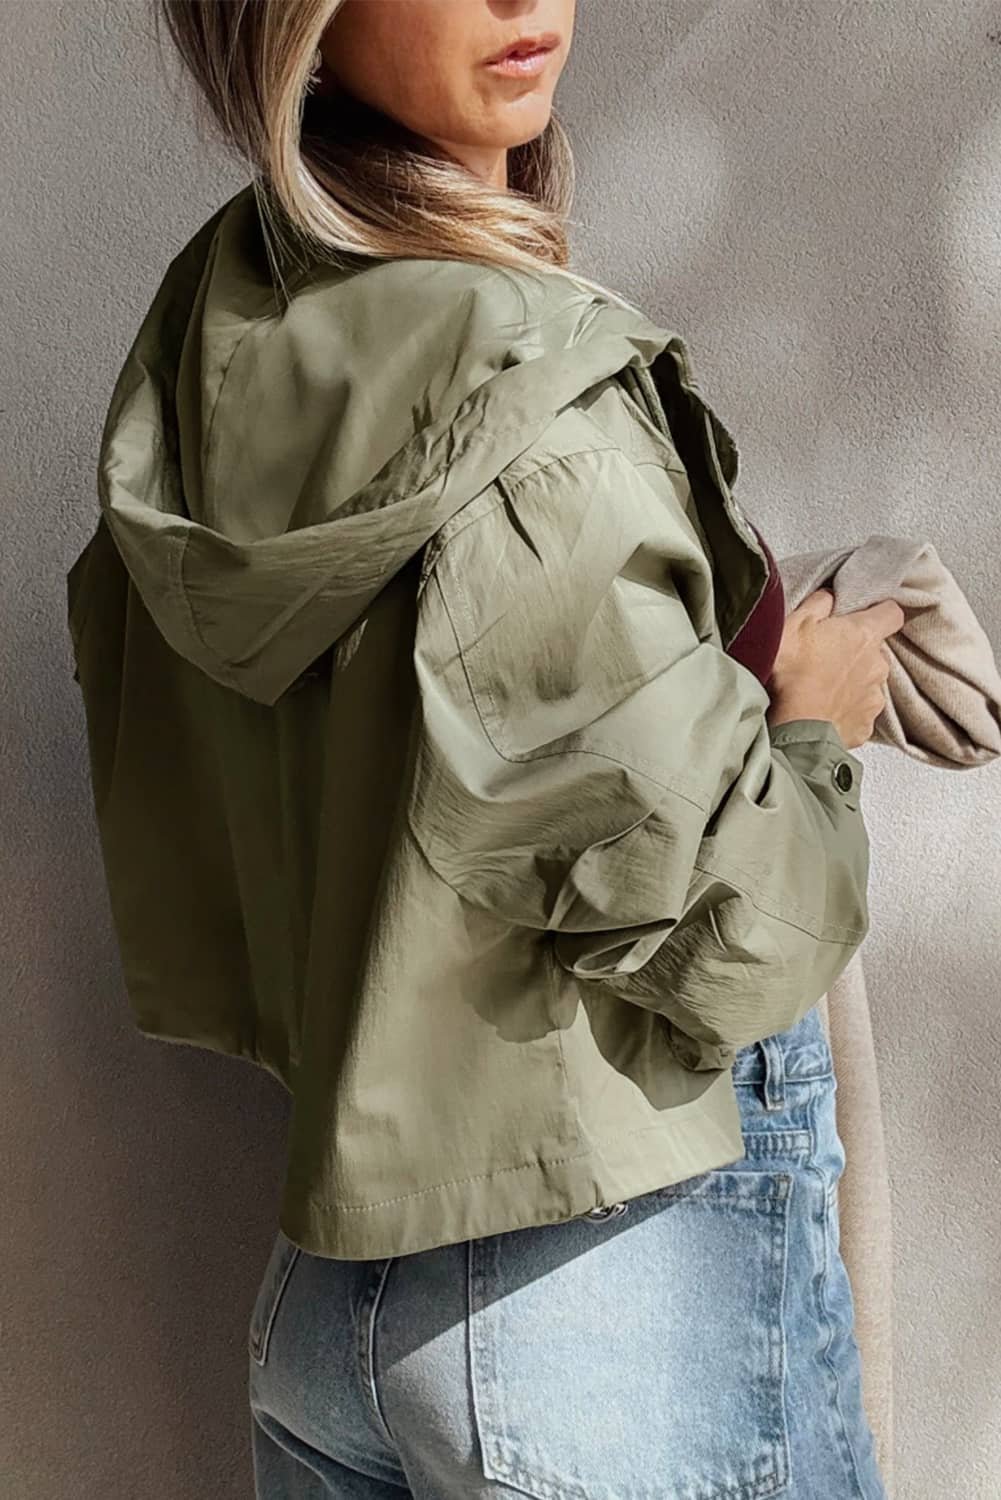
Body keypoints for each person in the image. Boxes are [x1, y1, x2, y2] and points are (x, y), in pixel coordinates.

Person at [66, 1, 904, 1495]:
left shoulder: (229, 325)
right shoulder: (540, 418)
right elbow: (730, 931)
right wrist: (815, 729)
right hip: (607, 1288)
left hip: (338, 1297)